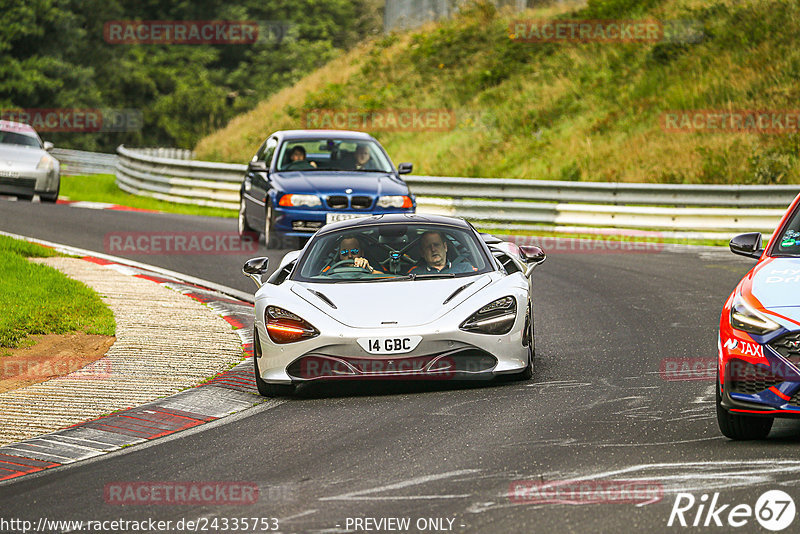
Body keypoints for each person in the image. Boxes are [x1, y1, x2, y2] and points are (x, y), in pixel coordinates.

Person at [407, 230, 475, 274]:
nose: (433, 249)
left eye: (436, 245)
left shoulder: (465, 269)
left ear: (445, 247)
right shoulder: (415, 274)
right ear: (422, 253)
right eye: (428, 247)